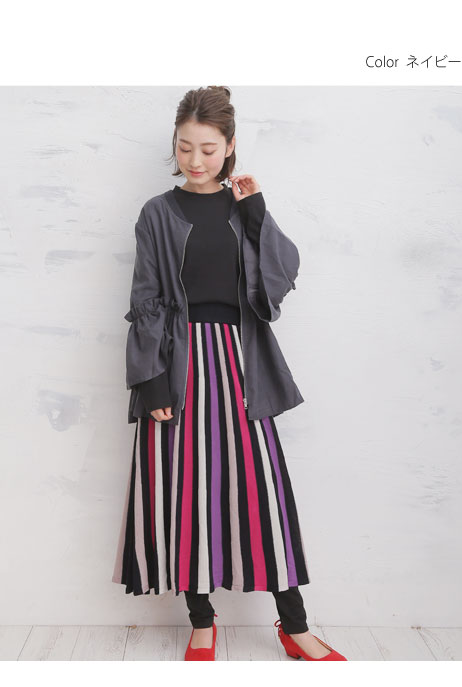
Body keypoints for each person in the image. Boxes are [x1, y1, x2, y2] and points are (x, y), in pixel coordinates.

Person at [112, 86, 346, 661]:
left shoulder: (243, 207)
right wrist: (151, 380)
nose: (195, 160)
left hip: (240, 363)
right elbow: (146, 298)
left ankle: (295, 626)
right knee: (181, 492)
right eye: (185, 147)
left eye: (208, 149)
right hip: (177, 364)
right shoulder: (157, 213)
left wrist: (256, 210)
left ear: (230, 146)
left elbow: (280, 276)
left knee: (263, 492)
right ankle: (202, 621)